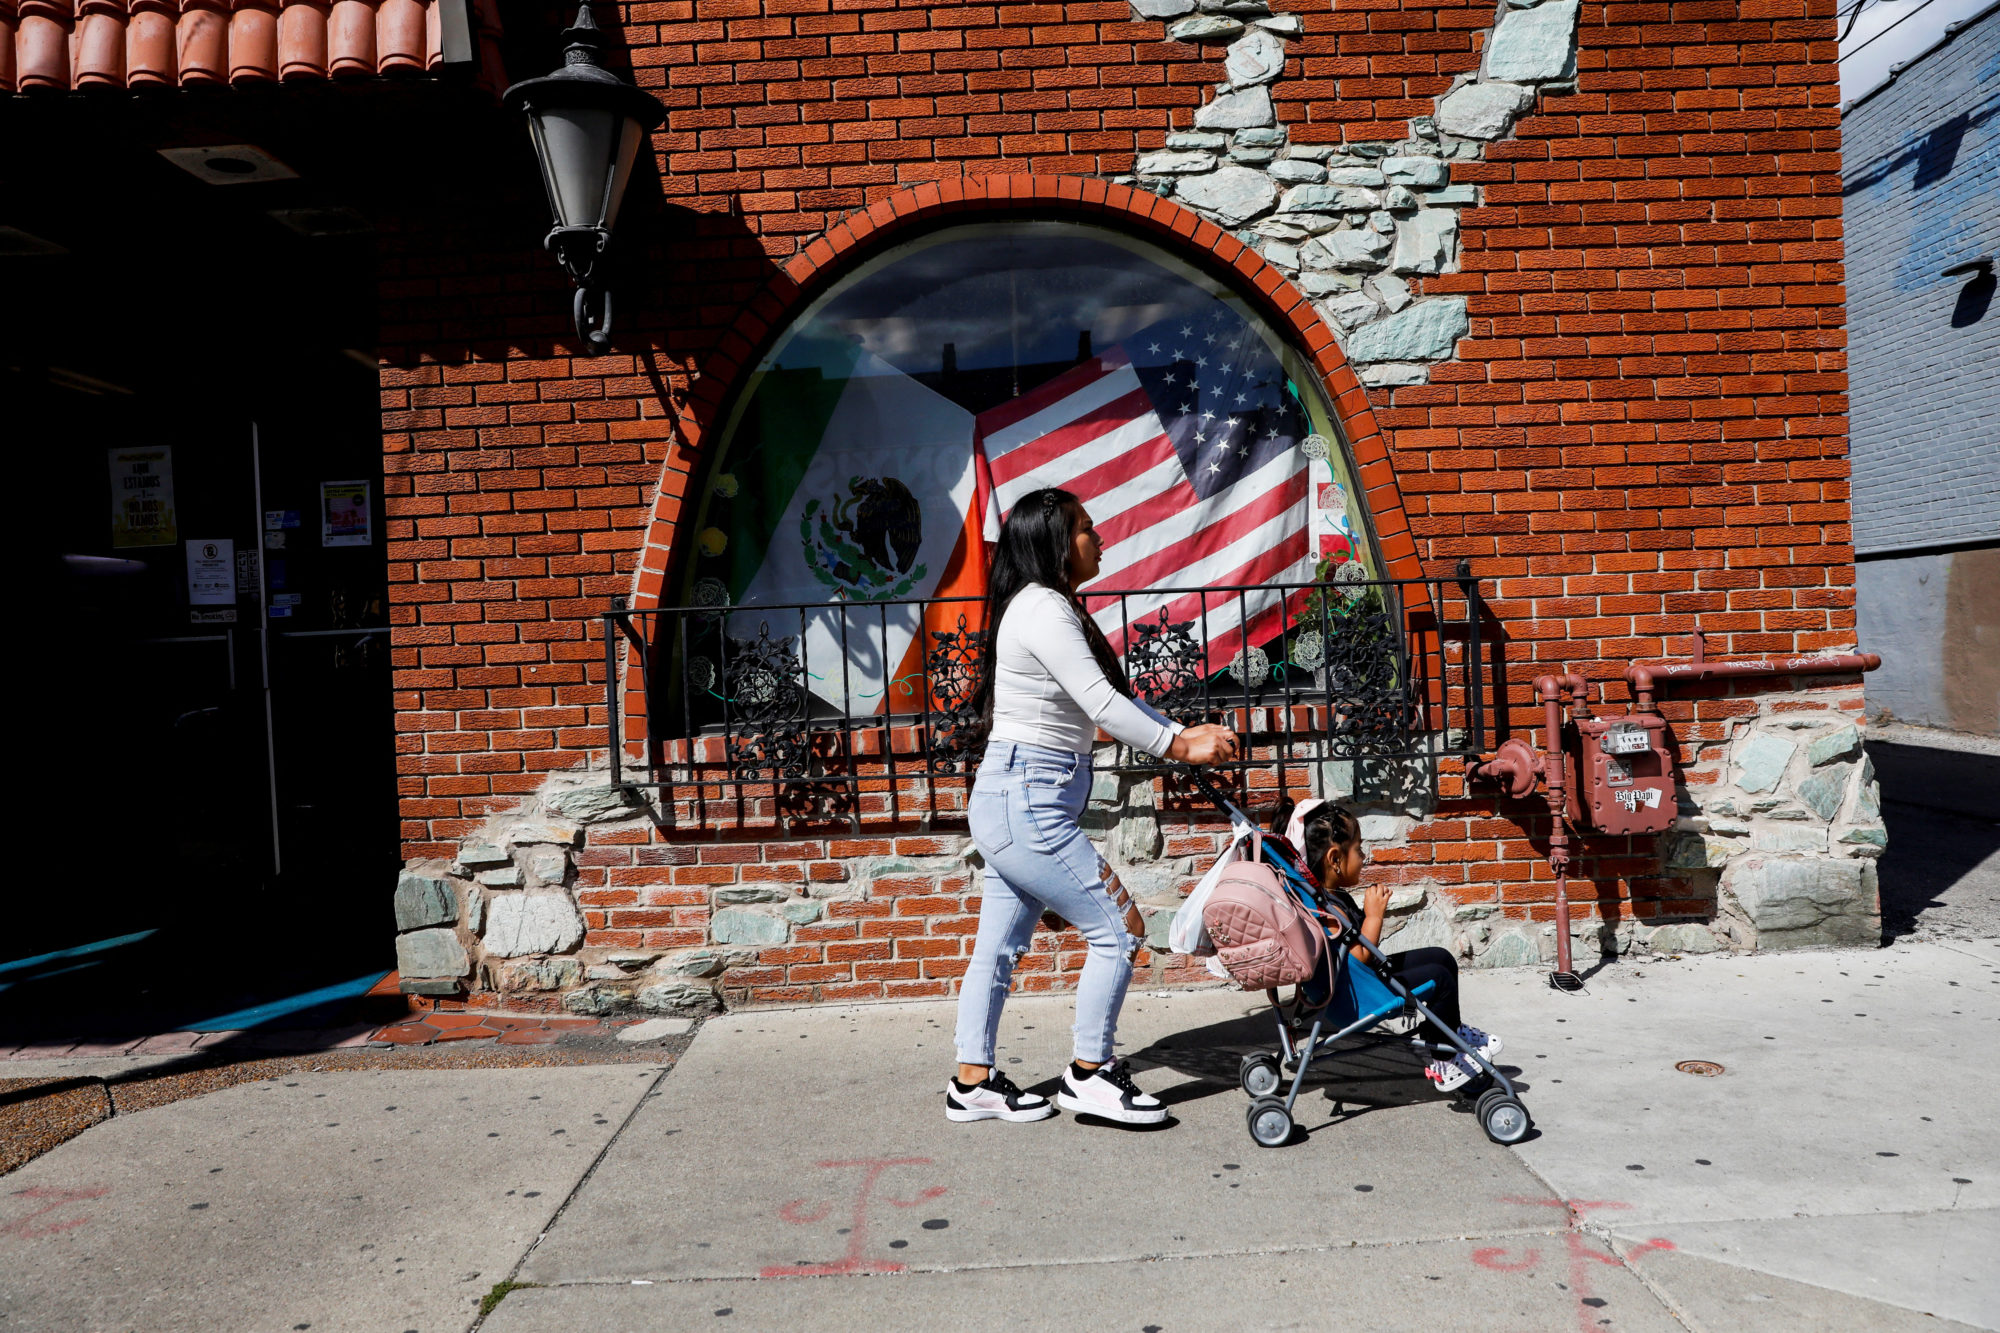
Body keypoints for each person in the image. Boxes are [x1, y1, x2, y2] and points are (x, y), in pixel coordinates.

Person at [948, 487, 1240, 1126]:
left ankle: (973, 1083)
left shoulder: (1045, 606)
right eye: (1085, 528)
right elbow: (1103, 708)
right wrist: (1180, 746)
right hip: (1028, 802)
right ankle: (1090, 1075)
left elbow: (1110, 697)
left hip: (1014, 799)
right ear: (1055, 542)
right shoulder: (1044, 610)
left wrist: (1183, 730)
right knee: (1119, 929)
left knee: (997, 948)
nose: (1099, 536)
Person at [1277, 796, 1503, 1091]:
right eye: (1357, 850)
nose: (1363, 857)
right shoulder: (1326, 910)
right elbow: (1359, 957)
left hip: (1356, 983)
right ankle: (1446, 1062)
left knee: (1441, 957)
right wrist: (1373, 917)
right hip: (1358, 998)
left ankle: (1451, 1031)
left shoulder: (1322, 897)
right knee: (1440, 978)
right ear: (1335, 859)